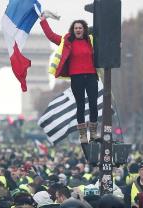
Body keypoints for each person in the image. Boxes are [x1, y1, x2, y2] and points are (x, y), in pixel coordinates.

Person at [40, 14, 99, 143]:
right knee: (81, 105)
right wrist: (43, 21)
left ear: (84, 29)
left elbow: (106, 44)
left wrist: (118, 44)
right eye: (76, 28)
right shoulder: (66, 41)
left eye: (80, 27)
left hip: (91, 76)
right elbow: (51, 36)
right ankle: (83, 134)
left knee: (94, 105)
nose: (78, 30)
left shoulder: (91, 40)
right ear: (73, 30)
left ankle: (93, 133)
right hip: (76, 77)